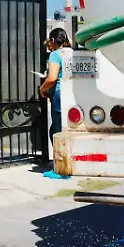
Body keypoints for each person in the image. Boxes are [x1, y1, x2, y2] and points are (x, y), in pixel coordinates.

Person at [38, 27, 71, 179]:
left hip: (59, 95)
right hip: (72, 96)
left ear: (52, 41)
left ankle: (62, 170)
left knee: (58, 133)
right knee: (61, 132)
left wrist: (42, 89)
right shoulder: (71, 53)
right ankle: (68, 165)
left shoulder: (55, 55)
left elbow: (52, 78)